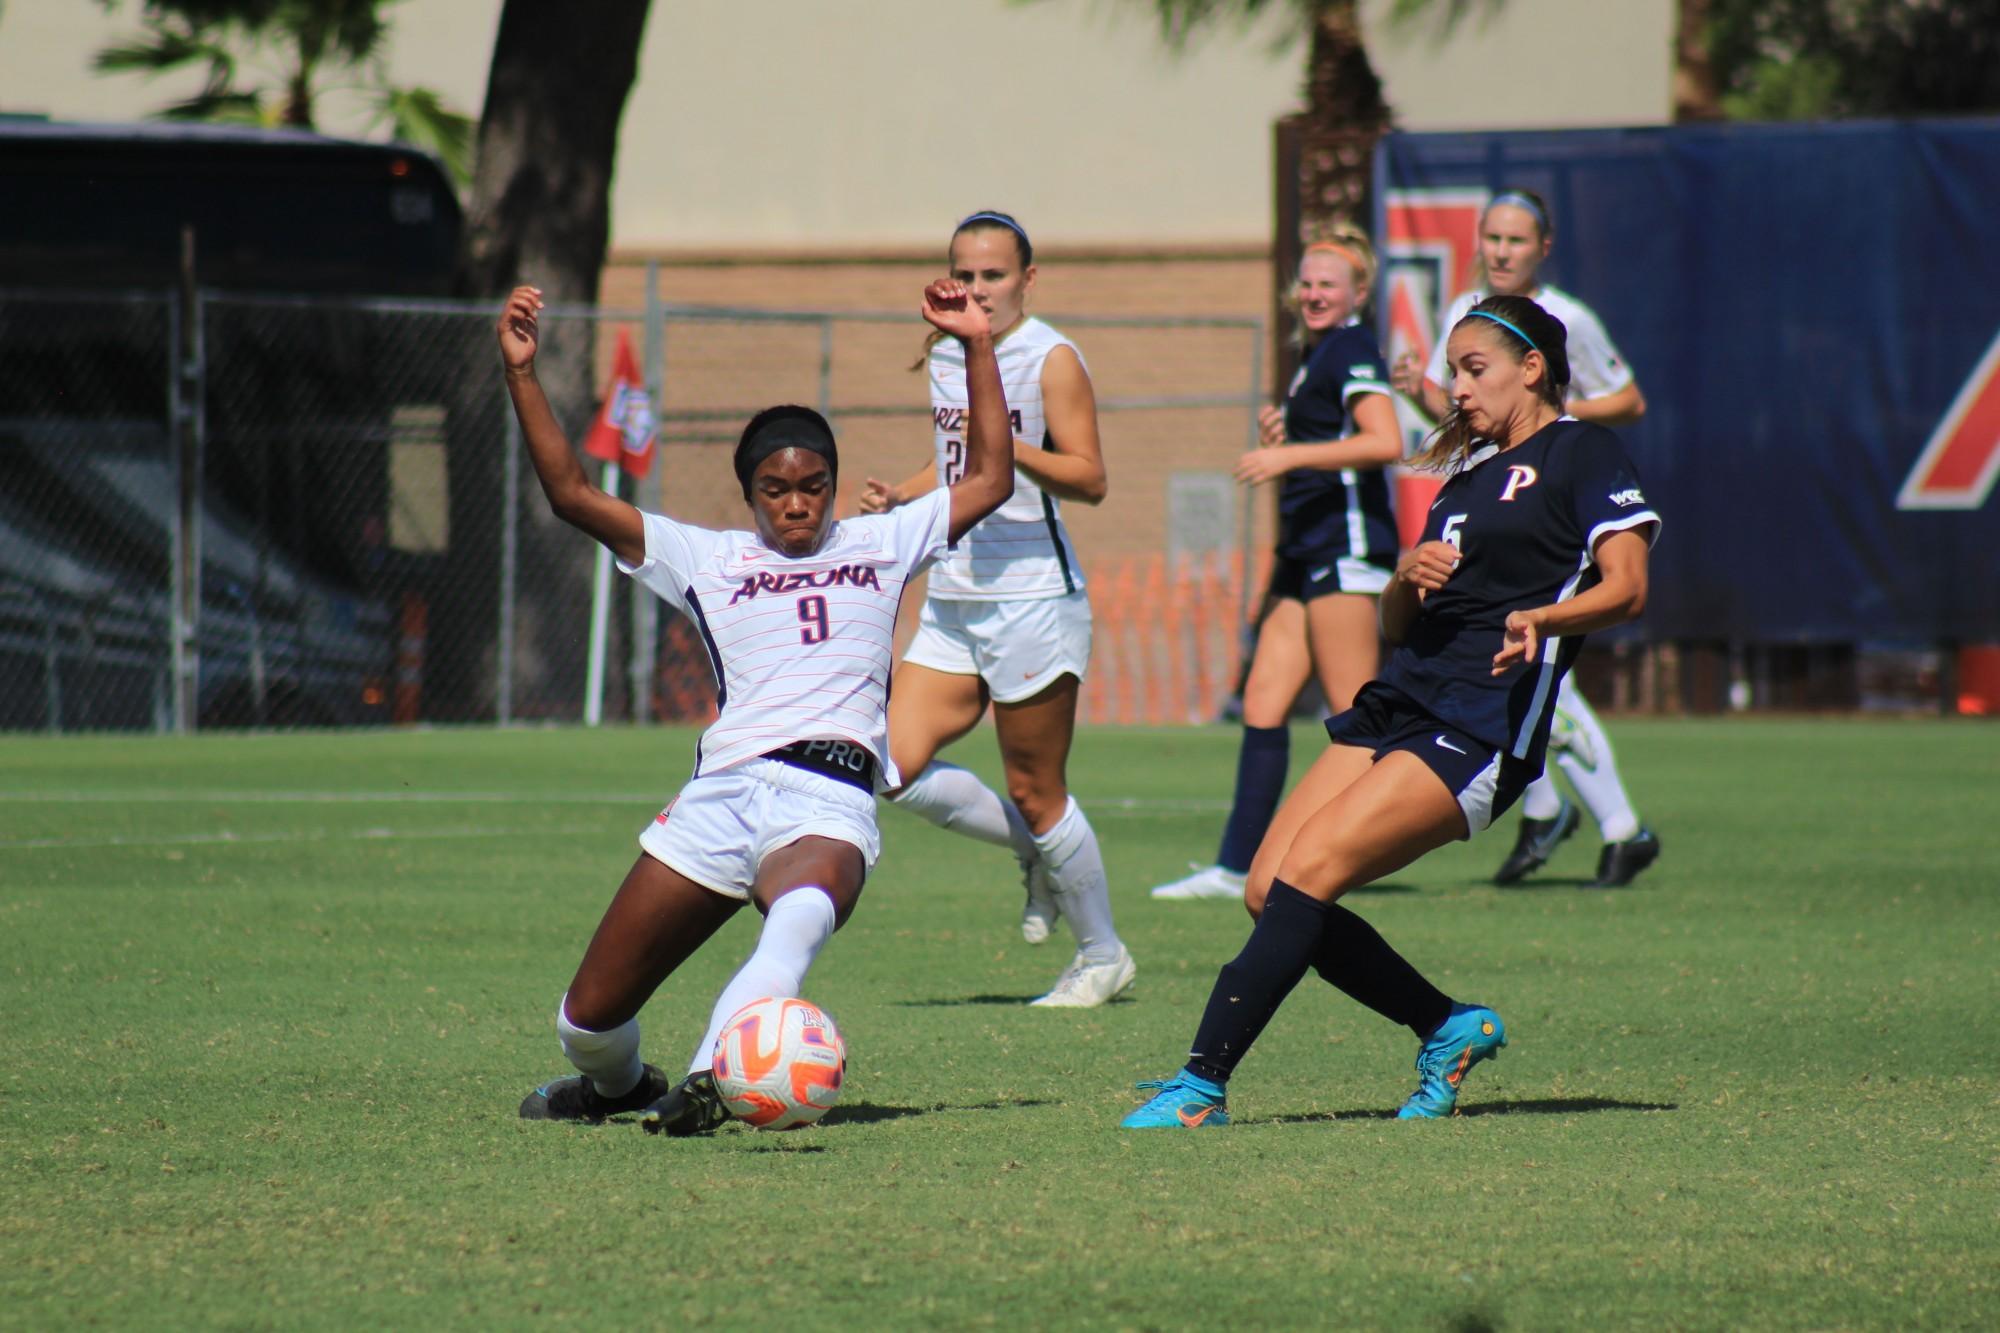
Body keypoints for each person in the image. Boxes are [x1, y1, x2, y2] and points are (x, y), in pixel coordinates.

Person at [1122, 294, 1661, 1127]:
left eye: (1473, 369)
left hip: (1483, 721)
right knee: (1269, 888)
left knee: (1309, 874)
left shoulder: (1583, 451)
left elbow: (1627, 588)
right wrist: (1407, 576)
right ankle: (1446, 1027)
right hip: (1400, 699)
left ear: (1533, 367)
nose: (1456, 387)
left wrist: (1543, 619)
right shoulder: (1465, 476)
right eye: (1452, 371)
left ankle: (1202, 1084)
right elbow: (1394, 626)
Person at [502, 276, 1015, 1134]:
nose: (796, 503)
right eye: (775, 488)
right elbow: (573, 498)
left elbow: (994, 476)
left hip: (829, 796)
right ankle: (620, 1084)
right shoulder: (707, 557)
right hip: (723, 794)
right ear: (749, 493)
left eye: (813, 484)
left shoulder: (883, 542)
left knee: (799, 919)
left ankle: (711, 1081)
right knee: (584, 1022)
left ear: (832, 483)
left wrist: (977, 343)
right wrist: (522, 373)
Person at [860, 210, 1135, 1008]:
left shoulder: (1050, 357)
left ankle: (1103, 953)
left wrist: (1007, 447)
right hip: (953, 592)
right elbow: (956, 457)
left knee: (1036, 787)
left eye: (994, 275)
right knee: (888, 762)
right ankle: (1039, 858)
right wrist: (903, 494)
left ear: (1027, 280)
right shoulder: (949, 350)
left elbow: (1090, 478)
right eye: (966, 274)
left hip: (1032, 597)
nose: (979, 289)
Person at [1391, 187, 1660, 889]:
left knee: (1533, 675)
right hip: (1483, 507)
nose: (1501, 252)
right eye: (1492, 239)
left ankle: (1614, 824)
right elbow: (1464, 419)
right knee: (1505, 670)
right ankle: (1557, 813)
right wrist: (1419, 392)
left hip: (1540, 516)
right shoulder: (1464, 314)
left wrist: (1547, 423)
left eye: (1516, 240)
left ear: (1543, 248)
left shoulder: (1566, 319)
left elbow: (1628, 399)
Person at [1150, 226, 1403, 903]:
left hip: (1347, 548)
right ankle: (1236, 864)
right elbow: (1332, 436)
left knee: (1359, 717)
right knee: (1263, 702)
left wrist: (1287, 456)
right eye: (1309, 283)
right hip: (1305, 551)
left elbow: (1385, 439)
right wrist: (1288, 433)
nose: (1315, 294)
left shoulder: (1352, 348)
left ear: (1357, 294)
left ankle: (1353, 852)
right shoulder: (1313, 354)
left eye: (1330, 284)